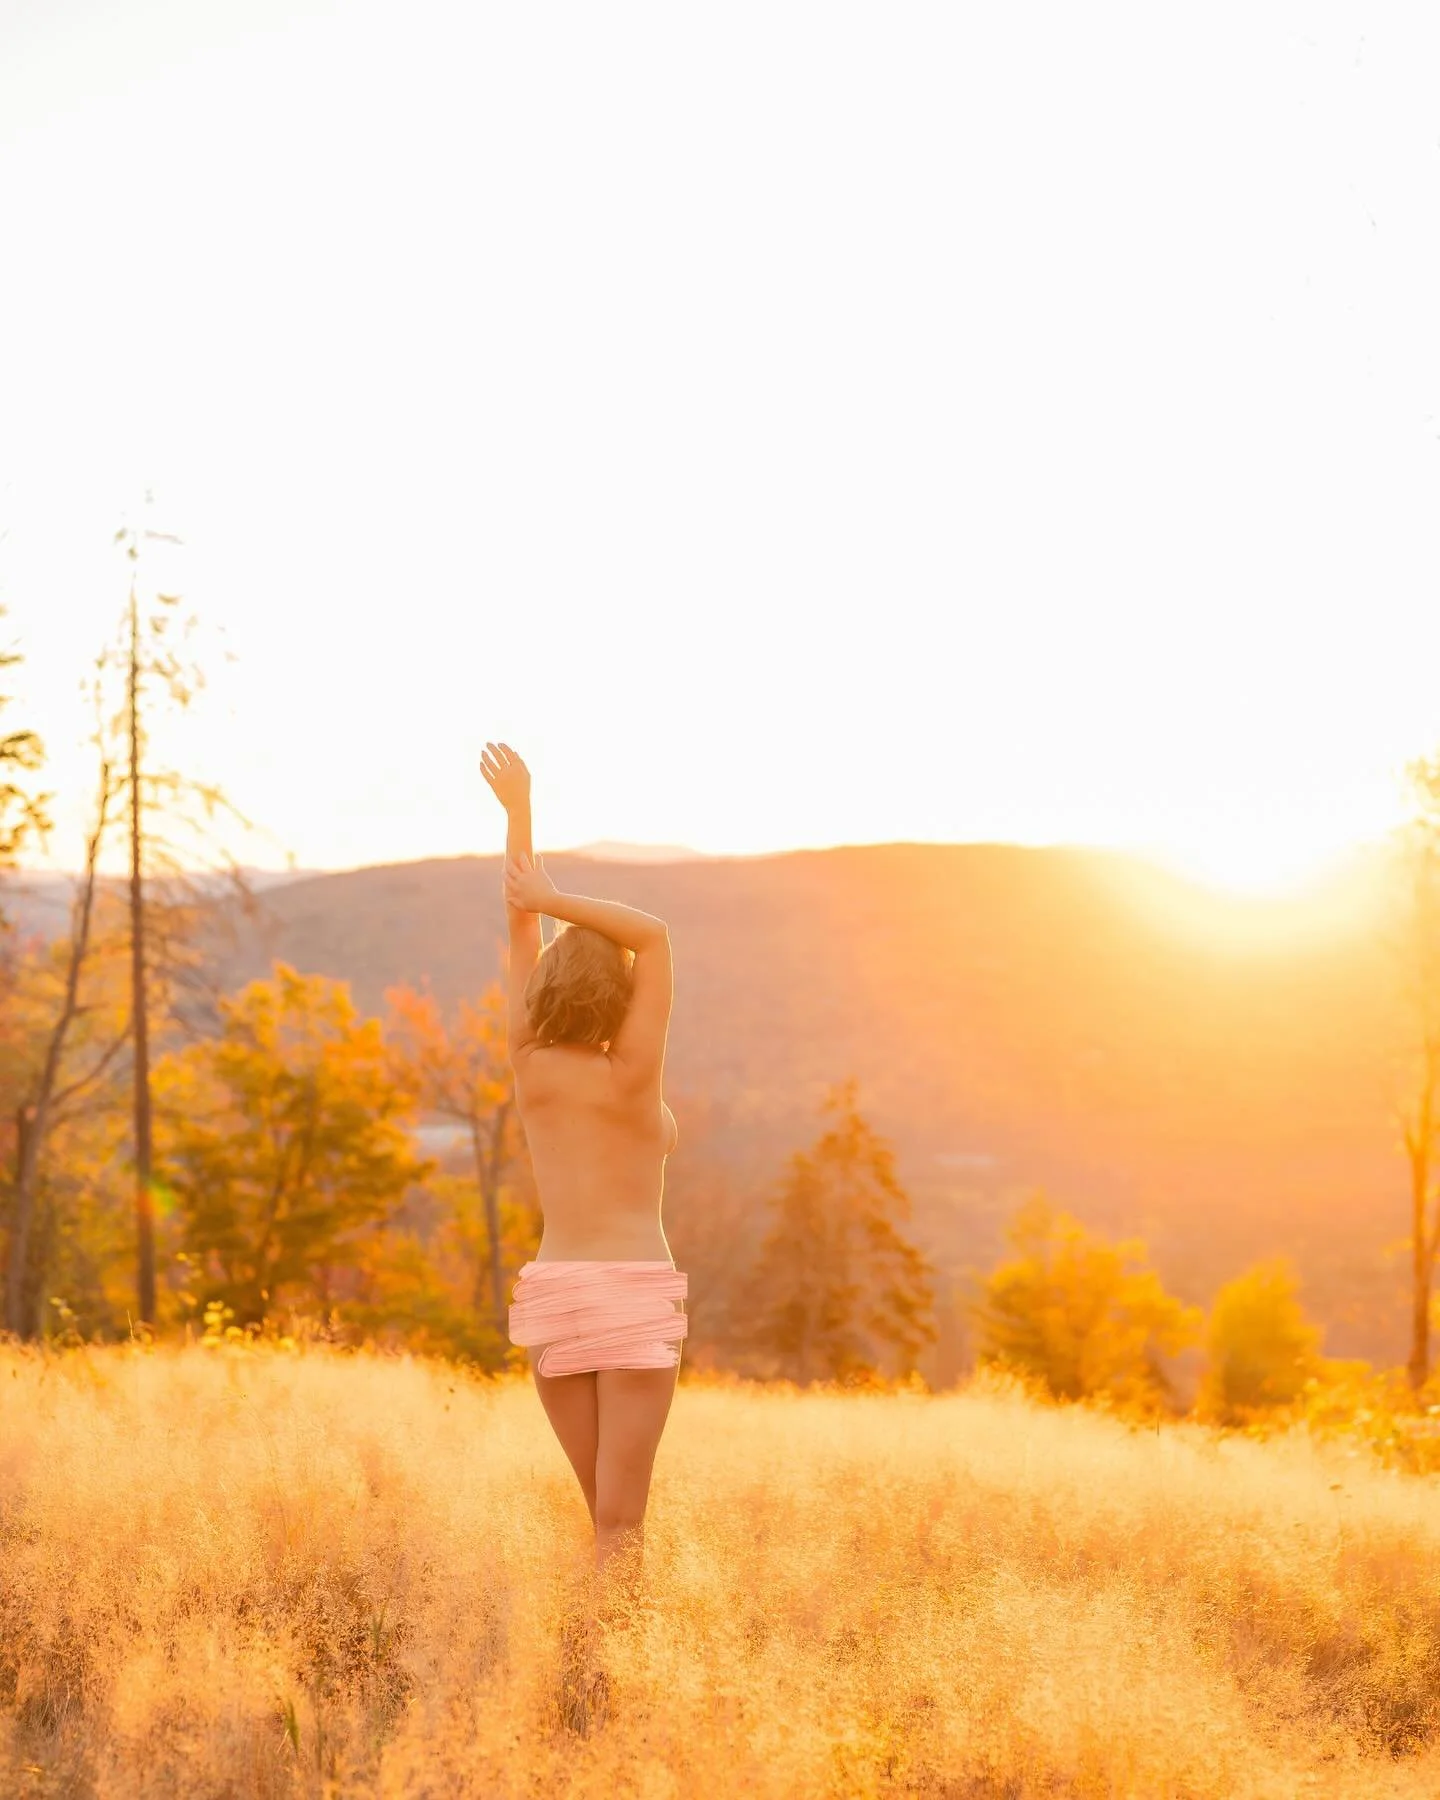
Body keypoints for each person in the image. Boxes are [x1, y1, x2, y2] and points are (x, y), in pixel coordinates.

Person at [479, 741, 687, 1631]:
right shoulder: (634, 1076)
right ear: (621, 998)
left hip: (558, 1292)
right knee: (621, 1523)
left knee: (598, 1517)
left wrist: (520, 817)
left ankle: (585, 1658)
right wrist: (555, 896)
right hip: (632, 1291)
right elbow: (655, 933)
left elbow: (518, 931)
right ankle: (615, 1667)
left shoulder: (530, 1064)